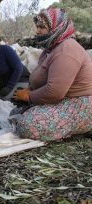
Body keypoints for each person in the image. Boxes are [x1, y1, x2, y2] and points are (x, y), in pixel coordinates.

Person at [10, 7, 92, 141]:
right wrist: (28, 91)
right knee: (15, 113)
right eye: (37, 27)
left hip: (79, 103)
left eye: (42, 27)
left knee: (27, 125)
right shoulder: (50, 50)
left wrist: (29, 96)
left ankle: (82, 126)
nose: (37, 31)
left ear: (57, 26)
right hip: (61, 100)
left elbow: (55, 92)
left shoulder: (67, 49)